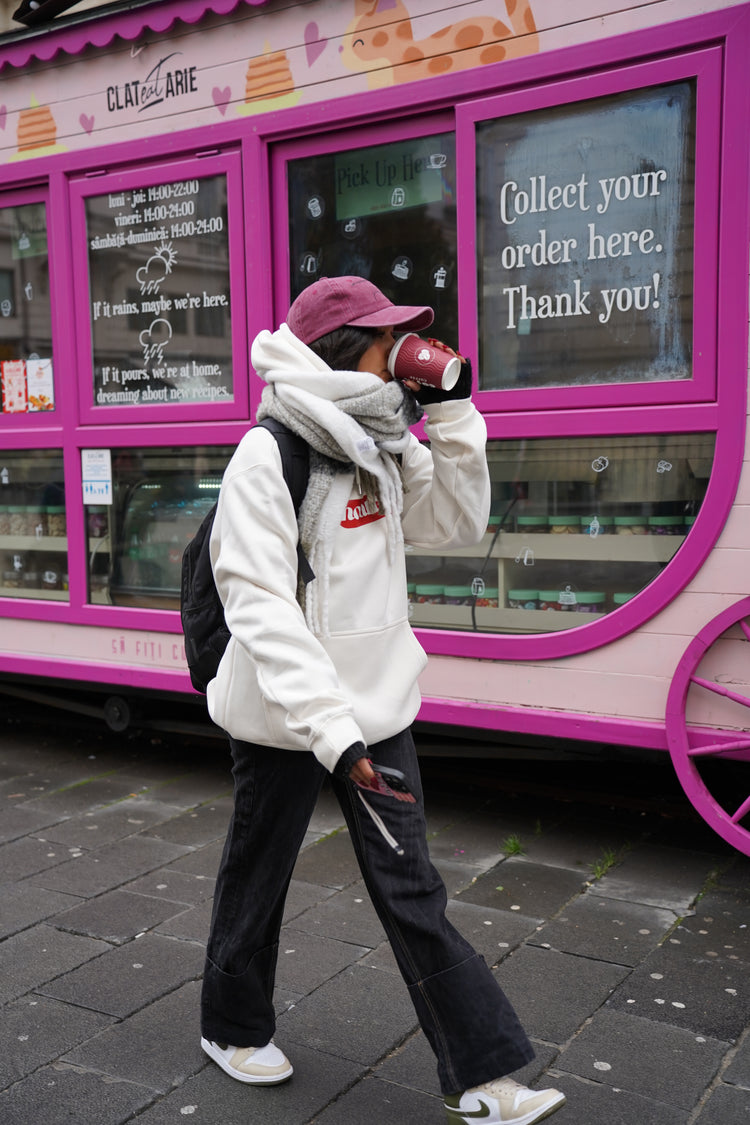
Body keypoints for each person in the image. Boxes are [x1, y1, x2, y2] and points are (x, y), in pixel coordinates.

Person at [199, 275, 565, 1125]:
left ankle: (487, 1074)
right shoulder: (272, 451)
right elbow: (258, 604)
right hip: (289, 718)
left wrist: (456, 411)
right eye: (386, 339)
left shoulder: (382, 439)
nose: (402, 355)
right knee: (257, 878)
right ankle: (231, 1023)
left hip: (378, 713)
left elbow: (456, 524)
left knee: (412, 890)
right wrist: (330, 730)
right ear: (342, 350)